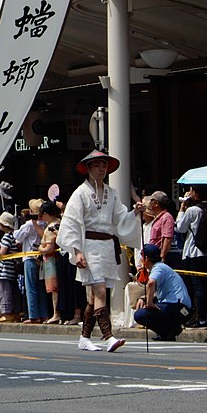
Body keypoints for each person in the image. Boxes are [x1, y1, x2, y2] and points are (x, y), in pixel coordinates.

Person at [58, 149, 143, 352]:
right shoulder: (80, 193)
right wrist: (76, 250)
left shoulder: (111, 193)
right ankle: (108, 336)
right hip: (89, 246)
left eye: (104, 165)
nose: (101, 169)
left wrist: (135, 212)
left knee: (93, 297)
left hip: (106, 246)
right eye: (97, 165)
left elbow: (121, 218)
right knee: (100, 292)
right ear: (88, 168)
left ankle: (84, 337)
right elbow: (71, 222)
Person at [133, 244, 192, 340]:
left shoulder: (158, 268)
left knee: (139, 315)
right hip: (180, 307)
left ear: (146, 258)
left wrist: (149, 303)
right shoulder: (161, 267)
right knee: (150, 310)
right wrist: (143, 298)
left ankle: (167, 331)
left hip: (178, 307)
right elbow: (157, 292)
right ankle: (169, 331)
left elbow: (151, 283)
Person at [175, 185, 207, 328]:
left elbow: (181, 227)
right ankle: (205, 316)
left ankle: (200, 318)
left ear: (196, 194)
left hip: (193, 253)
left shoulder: (192, 210)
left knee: (197, 287)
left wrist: (182, 208)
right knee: (206, 286)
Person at [0, 211, 22, 322]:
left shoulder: (6, 237)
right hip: (12, 267)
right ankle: (15, 312)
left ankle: (7, 313)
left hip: (5, 268)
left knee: (5, 291)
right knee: (13, 290)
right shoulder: (14, 236)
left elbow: (2, 252)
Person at [148, 191, 175, 261]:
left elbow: (168, 239)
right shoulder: (157, 217)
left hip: (158, 256)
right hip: (152, 256)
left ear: (156, 203)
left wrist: (162, 256)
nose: (149, 202)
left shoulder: (167, 217)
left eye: (151, 200)